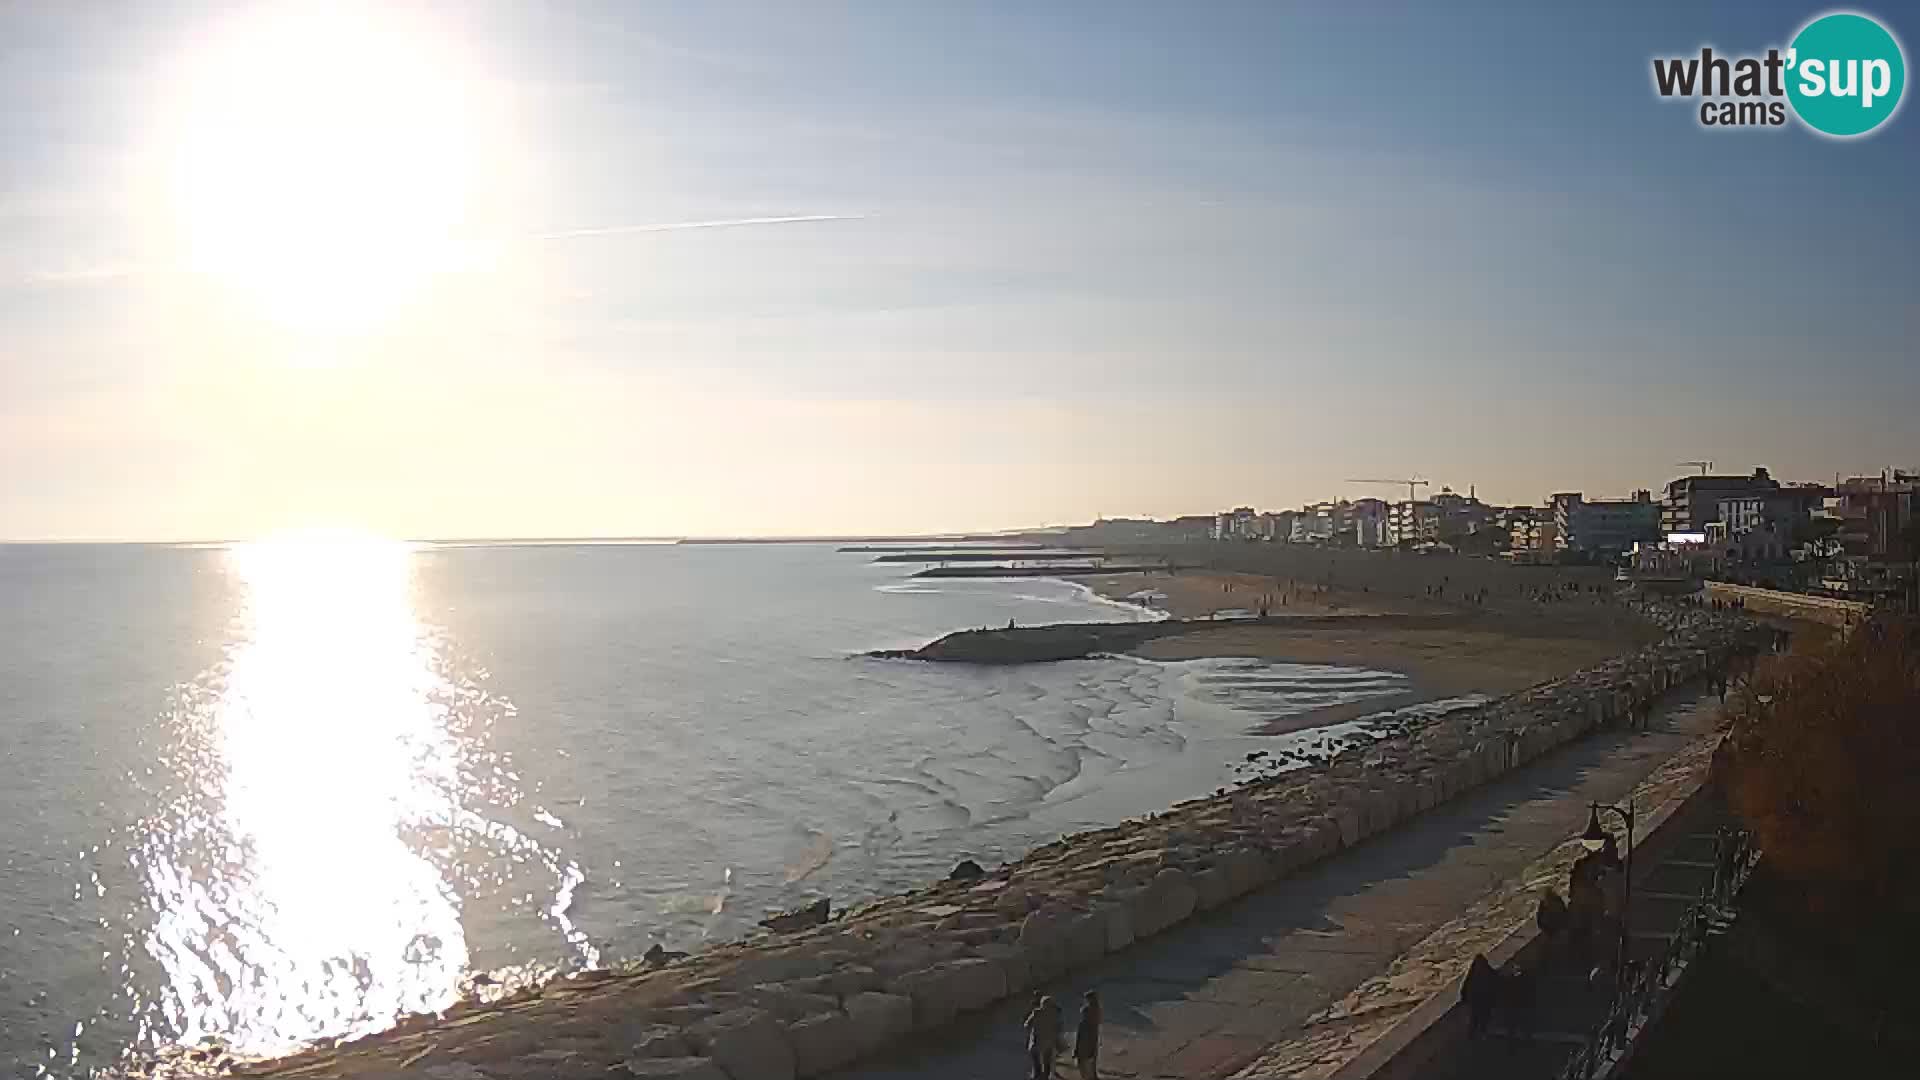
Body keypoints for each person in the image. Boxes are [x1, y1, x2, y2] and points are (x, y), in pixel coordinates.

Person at [1025, 993, 1062, 1080]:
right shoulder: (1055, 1014)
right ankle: (1045, 1076)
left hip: (1036, 1042)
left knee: (1036, 1059)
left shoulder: (1036, 1013)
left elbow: (1026, 1025)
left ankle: (1036, 1075)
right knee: (1047, 1062)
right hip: (1048, 1043)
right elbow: (1059, 1028)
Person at [1074, 990, 1101, 1079]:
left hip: (1084, 1047)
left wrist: (1076, 1050)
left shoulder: (1084, 1024)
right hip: (1093, 1042)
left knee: (1085, 1069)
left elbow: (1080, 1037)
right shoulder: (1096, 1011)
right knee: (1092, 1065)